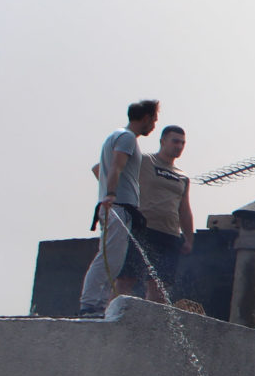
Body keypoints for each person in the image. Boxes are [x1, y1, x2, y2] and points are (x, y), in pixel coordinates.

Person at [79, 99, 161, 316]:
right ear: (146, 118)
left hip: (117, 207)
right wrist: (111, 194)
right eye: (154, 120)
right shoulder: (127, 138)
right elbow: (116, 165)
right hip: (118, 207)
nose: (154, 126)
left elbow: (99, 168)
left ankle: (97, 305)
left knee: (113, 260)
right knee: (108, 258)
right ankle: (90, 304)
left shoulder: (116, 136)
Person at [135, 124, 195, 298]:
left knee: (160, 286)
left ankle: (153, 314)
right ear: (163, 141)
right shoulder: (144, 161)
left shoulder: (183, 176)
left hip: (170, 234)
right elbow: (108, 169)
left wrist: (189, 238)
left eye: (182, 143)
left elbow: (184, 208)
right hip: (143, 229)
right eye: (175, 141)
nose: (179, 146)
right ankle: (112, 311)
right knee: (127, 277)